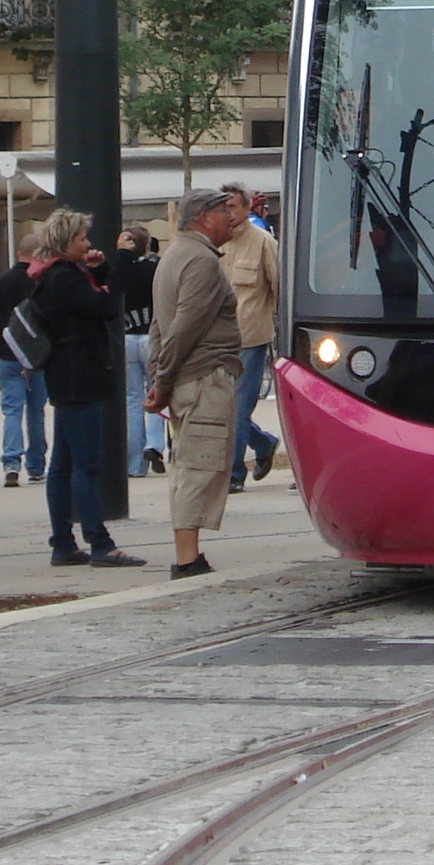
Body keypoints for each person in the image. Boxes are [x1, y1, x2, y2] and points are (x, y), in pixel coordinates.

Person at [31, 209, 146, 569]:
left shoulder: (57, 276)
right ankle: (99, 542)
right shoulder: (63, 279)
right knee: (85, 465)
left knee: (63, 465)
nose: (88, 243)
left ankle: (63, 541)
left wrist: (96, 270)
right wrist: (122, 259)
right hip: (80, 377)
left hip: (65, 377)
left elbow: (93, 301)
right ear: (66, 242)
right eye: (82, 238)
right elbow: (106, 306)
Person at [145, 188, 247, 580]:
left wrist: (160, 377)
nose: (231, 218)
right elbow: (185, 327)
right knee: (198, 465)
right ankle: (187, 559)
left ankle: (189, 553)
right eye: (224, 211)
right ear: (203, 217)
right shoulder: (202, 262)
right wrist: (163, 379)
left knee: (188, 463)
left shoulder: (173, 256)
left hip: (185, 379)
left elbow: (160, 325)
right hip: (204, 377)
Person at [219, 187, 282, 493]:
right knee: (223, 408)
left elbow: (279, 286)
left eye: (232, 206)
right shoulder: (215, 243)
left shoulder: (262, 242)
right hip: (217, 341)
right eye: (223, 207)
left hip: (251, 338)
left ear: (246, 208)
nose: (228, 213)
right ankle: (264, 442)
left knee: (238, 408)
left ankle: (233, 474)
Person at [0, 230, 50, 488]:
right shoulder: (41, 281)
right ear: (38, 254)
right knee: (36, 412)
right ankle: (36, 465)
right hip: (36, 357)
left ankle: (11, 462)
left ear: (18, 253)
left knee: (11, 410)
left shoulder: (1, 282)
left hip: (8, 354)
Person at [112, 226, 168, 476]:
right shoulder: (155, 269)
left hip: (127, 336)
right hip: (152, 337)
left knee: (133, 400)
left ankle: (135, 464)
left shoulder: (120, 269)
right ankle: (154, 444)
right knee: (156, 392)